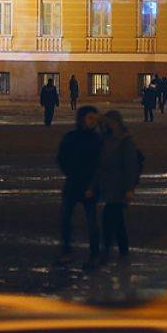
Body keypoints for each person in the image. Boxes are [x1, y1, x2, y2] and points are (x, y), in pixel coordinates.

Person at [94, 110, 143, 267]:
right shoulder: (105, 138)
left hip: (119, 186)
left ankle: (106, 250)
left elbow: (130, 165)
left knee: (109, 218)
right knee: (117, 220)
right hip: (109, 184)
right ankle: (123, 250)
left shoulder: (124, 140)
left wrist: (129, 187)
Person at [56, 106, 102, 266]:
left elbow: (100, 165)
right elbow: (62, 157)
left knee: (91, 221)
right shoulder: (71, 137)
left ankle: (94, 255)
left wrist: (93, 185)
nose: (93, 122)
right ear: (82, 119)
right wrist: (70, 173)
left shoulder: (97, 140)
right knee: (66, 220)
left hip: (89, 186)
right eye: (90, 118)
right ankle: (66, 251)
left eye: (95, 119)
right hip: (73, 183)